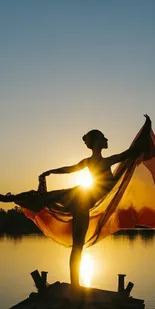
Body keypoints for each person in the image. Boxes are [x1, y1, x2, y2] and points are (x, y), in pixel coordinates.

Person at [0, 114, 151, 288]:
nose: (107, 139)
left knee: (72, 237)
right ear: (96, 144)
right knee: (74, 240)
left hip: (82, 201)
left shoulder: (91, 162)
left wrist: (51, 171)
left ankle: (76, 285)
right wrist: (147, 128)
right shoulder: (105, 161)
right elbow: (129, 153)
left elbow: (70, 169)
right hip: (82, 199)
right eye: (103, 138)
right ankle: (75, 285)